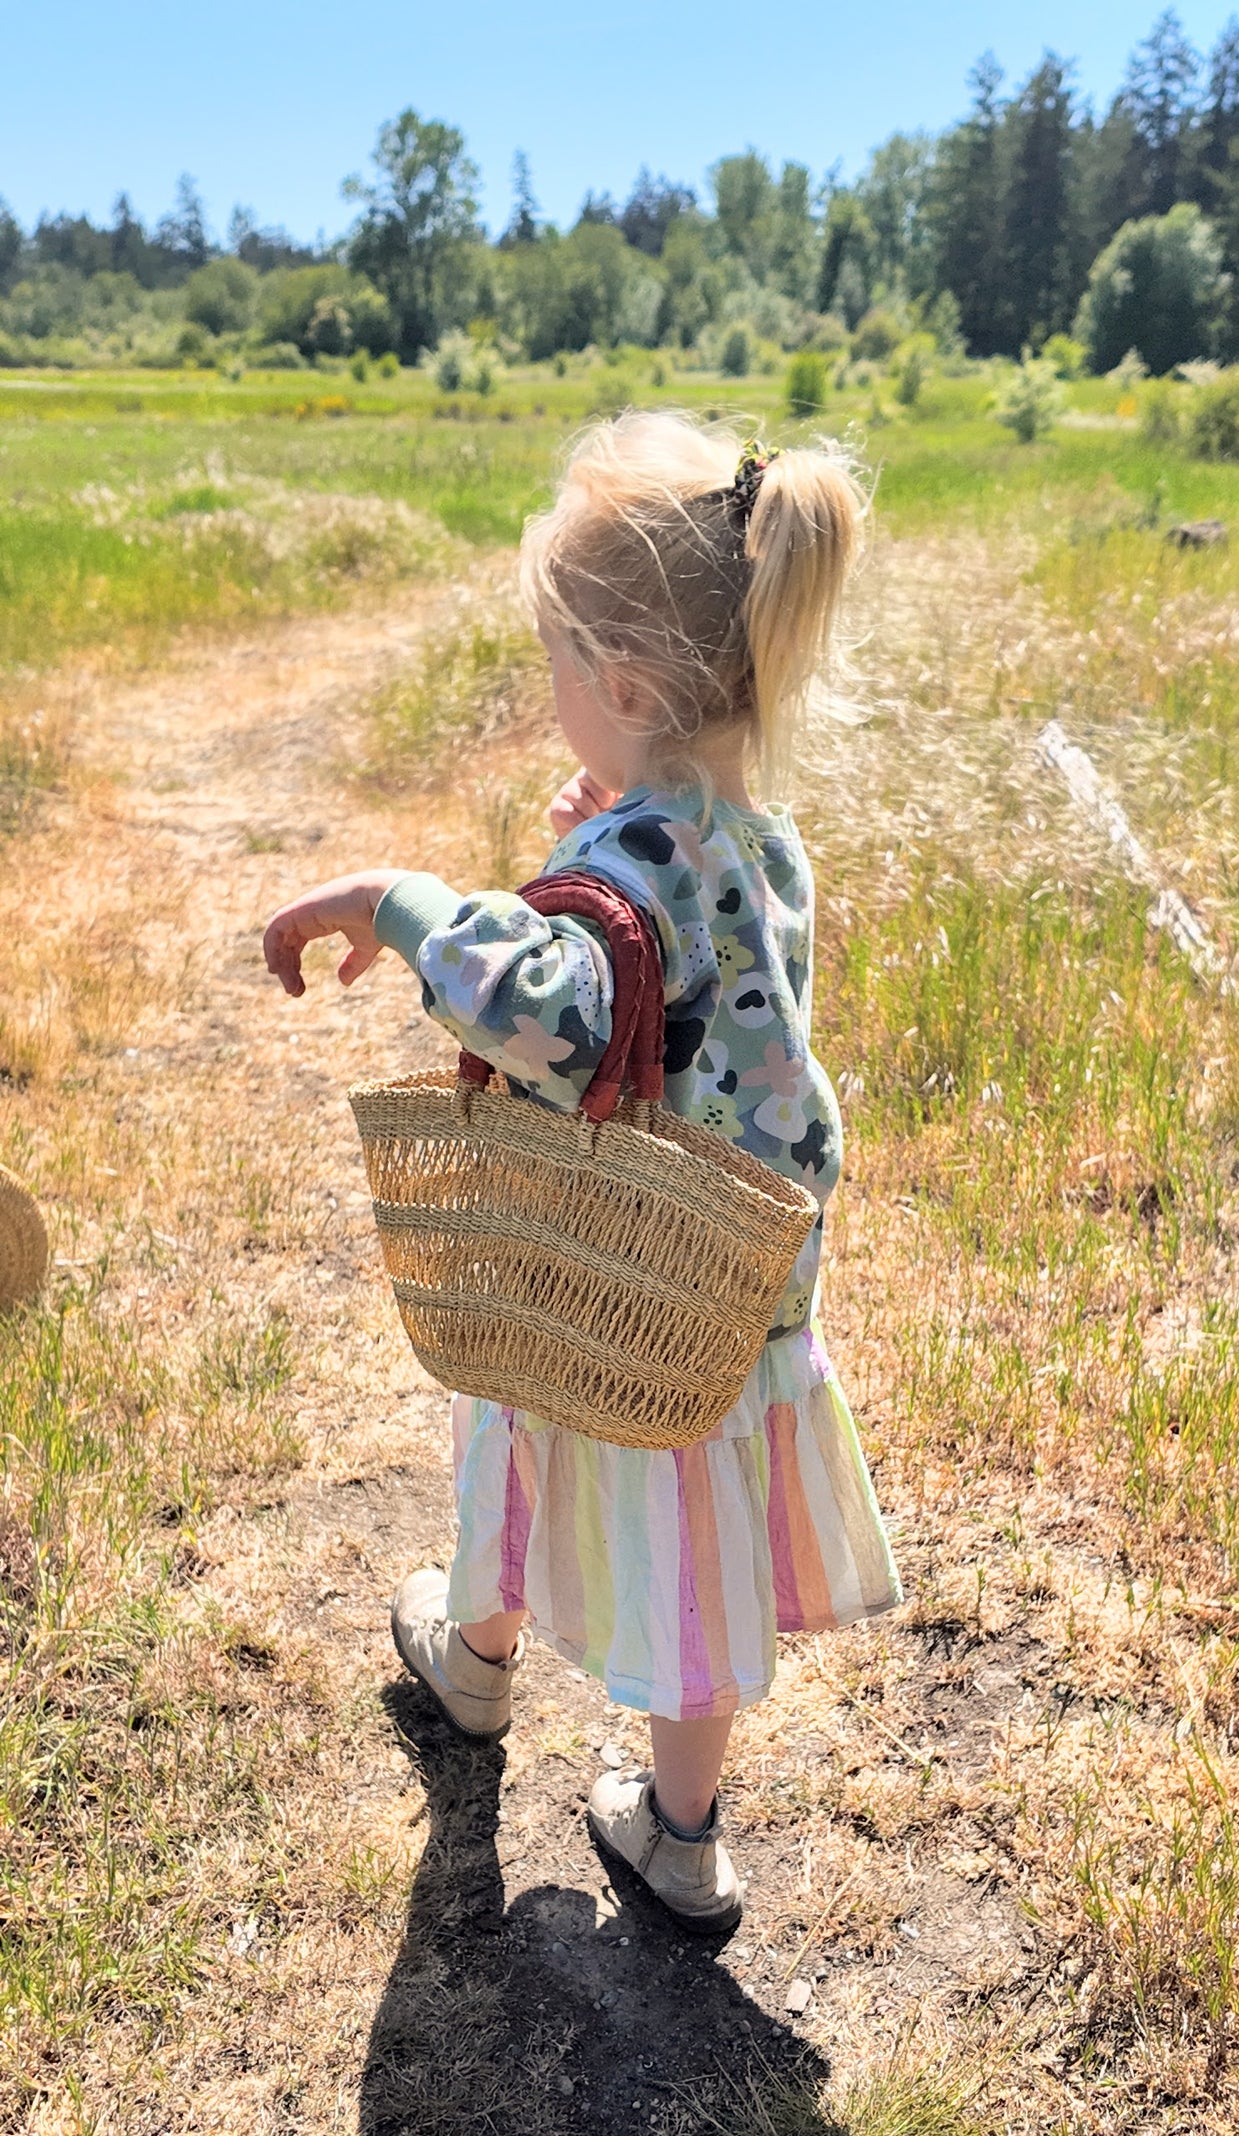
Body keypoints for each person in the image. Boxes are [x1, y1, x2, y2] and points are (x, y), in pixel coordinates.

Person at [263, 410, 900, 1935]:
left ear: (619, 685)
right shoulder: (755, 837)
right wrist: (602, 833)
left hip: (601, 1265)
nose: (550, 691)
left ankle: (474, 1666)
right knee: (694, 1550)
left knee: (523, 1436)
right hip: (728, 1286)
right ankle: (682, 1836)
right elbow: (684, 969)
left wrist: (402, 899)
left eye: (558, 665)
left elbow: (543, 1009)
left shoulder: (637, 857)